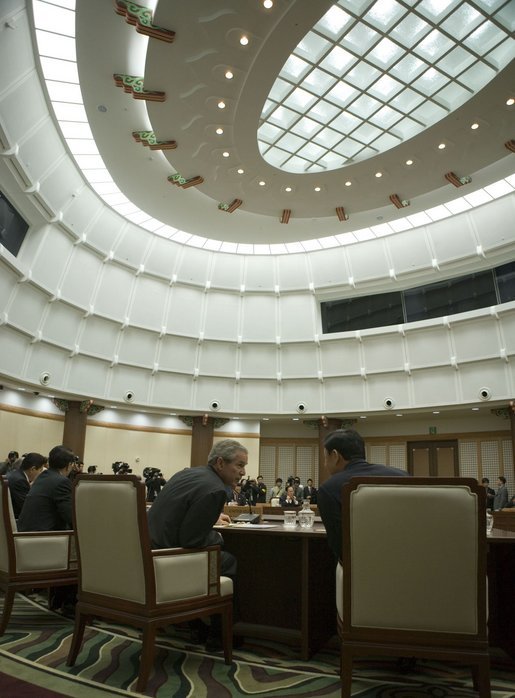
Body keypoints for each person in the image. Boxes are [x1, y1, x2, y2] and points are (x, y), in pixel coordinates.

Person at [148, 439, 247, 649]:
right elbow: (192, 540)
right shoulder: (216, 489)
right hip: (168, 560)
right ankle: (221, 634)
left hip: (150, 553)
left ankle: (195, 625)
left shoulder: (187, 473)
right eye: (239, 465)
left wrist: (209, 519)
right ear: (220, 463)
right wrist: (218, 537)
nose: (243, 472)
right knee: (227, 561)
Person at [318, 429, 409, 562]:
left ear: (335, 455)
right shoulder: (403, 476)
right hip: (409, 558)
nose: (325, 464)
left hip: (362, 567)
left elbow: (340, 547)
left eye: (325, 458)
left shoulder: (329, 489)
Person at [17, 445, 76, 532]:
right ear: (69, 465)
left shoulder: (42, 477)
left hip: (25, 535)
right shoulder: (62, 482)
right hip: (42, 537)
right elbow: (71, 517)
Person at [5, 452, 47, 519]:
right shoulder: (20, 481)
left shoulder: (15, 474)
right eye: (40, 470)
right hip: (15, 520)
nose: (40, 474)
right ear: (32, 469)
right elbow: (27, 508)